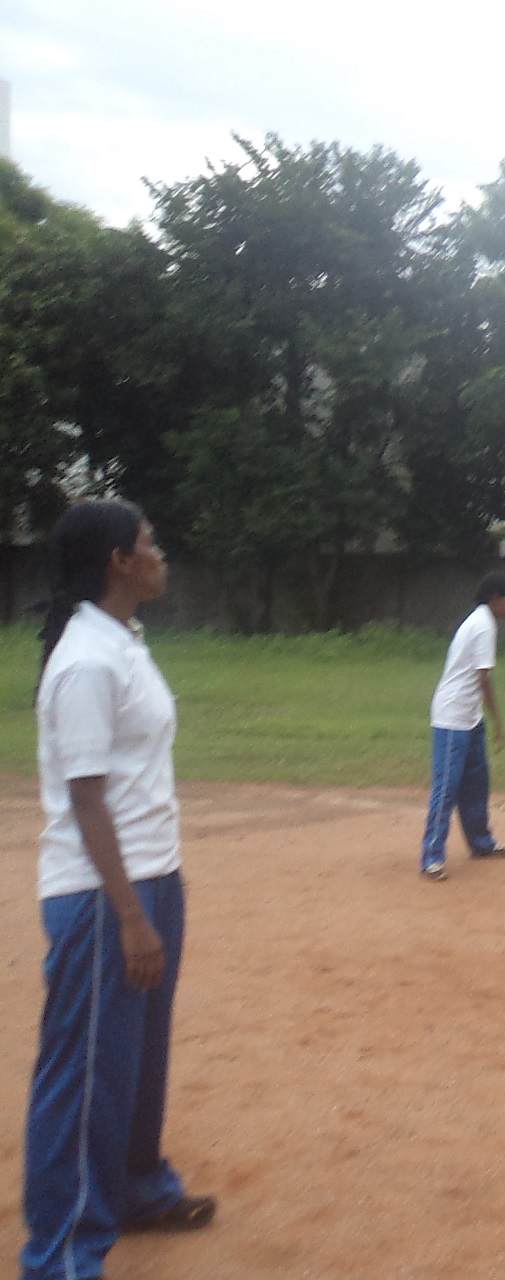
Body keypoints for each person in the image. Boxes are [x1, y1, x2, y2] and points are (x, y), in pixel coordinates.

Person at [22, 500, 216, 1280]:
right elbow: (86, 796)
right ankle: (63, 1252)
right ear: (117, 561)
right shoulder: (85, 661)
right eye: (149, 542)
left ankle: (136, 1189)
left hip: (149, 878)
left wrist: (156, 892)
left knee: (136, 1063)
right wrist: (132, 915)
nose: (159, 552)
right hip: (105, 896)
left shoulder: (123, 641)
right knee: (87, 1077)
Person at [418, 573, 505, 880]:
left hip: (470, 717)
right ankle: (431, 857)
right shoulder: (484, 625)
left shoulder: (482, 621)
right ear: (494, 599)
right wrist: (498, 720)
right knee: (448, 787)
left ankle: (481, 843)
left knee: (476, 784)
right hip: (453, 717)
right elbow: (483, 679)